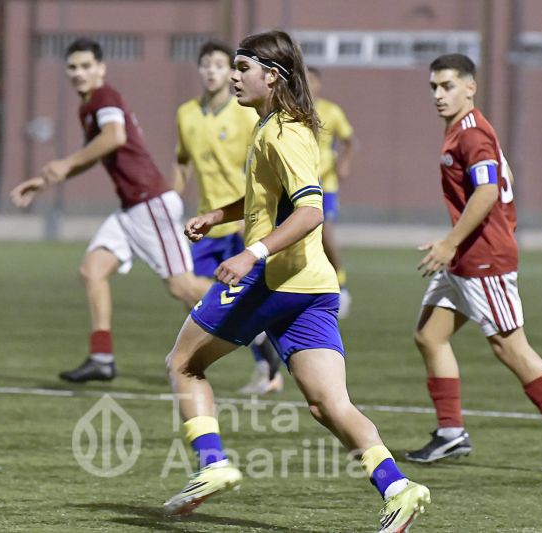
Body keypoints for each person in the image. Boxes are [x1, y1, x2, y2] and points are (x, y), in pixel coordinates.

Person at [162, 31, 431, 532]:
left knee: (183, 364)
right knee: (328, 403)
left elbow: (310, 213)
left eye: (243, 68)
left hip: (273, 279)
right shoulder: (283, 126)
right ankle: (399, 488)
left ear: (272, 76)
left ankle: (212, 464)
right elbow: (270, 199)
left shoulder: (280, 132)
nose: (236, 76)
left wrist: (250, 254)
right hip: (313, 285)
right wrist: (219, 214)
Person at [405, 53, 542, 474]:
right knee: (429, 335)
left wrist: (451, 243)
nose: (438, 94)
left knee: (509, 346)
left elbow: (486, 193)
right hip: (465, 258)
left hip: (484, 257)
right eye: (433, 87)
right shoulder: (459, 130)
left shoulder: (472, 135)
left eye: (447, 86)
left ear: (471, 87)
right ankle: (451, 434)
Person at [10, 38, 203, 383]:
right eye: (73, 67)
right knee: (93, 270)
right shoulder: (89, 106)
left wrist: (65, 162)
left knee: (183, 288)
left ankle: (260, 318)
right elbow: (96, 152)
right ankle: (101, 358)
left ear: (101, 68)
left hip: (149, 203)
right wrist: (43, 181)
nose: (79, 73)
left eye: (87, 66)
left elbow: (113, 137)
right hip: (130, 209)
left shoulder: (104, 97)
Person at [173, 40, 284, 395]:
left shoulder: (245, 111)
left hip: (241, 223)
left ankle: (267, 368)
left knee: (225, 292)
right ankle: (260, 342)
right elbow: (181, 161)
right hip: (208, 224)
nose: (212, 71)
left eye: (221, 65)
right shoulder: (186, 113)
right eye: (206, 64)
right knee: (188, 288)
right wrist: (172, 202)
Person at [306, 66, 356, 318]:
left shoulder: (331, 111)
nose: (308, 84)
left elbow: (349, 140)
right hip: (301, 184)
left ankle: (341, 285)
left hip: (326, 185)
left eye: (312, 80)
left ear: (319, 83)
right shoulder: (293, 109)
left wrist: (344, 163)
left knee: (326, 236)